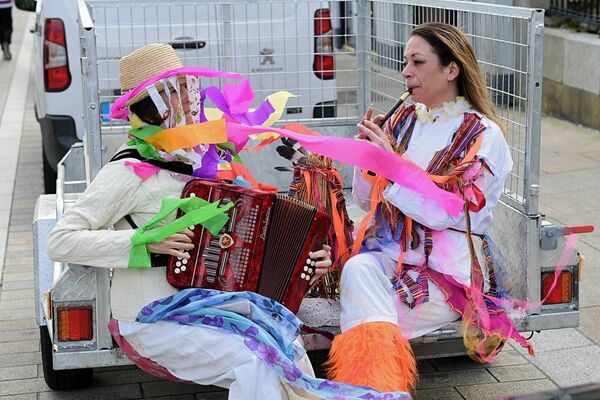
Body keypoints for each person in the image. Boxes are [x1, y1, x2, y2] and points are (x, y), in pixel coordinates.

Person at [47, 43, 335, 399]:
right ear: (154, 101)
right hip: (150, 317)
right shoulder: (126, 171)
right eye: (177, 89)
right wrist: (143, 245)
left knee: (286, 344)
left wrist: (303, 258)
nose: (190, 97)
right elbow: (60, 239)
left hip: (203, 303)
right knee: (254, 361)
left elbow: (248, 238)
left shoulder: (200, 158)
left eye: (187, 86)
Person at [325, 22, 534, 393]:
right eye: (406, 62)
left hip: (444, 275)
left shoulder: (483, 136)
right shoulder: (406, 121)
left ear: (452, 70)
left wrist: (392, 167)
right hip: (391, 255)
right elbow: (365, 200)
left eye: (418, 62)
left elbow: (450, 212)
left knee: (366, 317)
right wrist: (368, 162)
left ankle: (372, 390)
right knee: (357, 270)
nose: (405, 71)